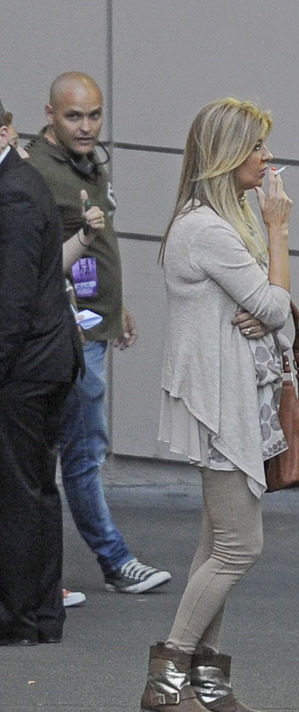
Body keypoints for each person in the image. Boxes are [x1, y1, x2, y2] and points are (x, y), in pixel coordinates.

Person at [142, 97, 292, 712]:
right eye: (256, 146)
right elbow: (279, 307)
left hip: (226, 399)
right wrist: (279, 230)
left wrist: (267, 308)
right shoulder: (209, 228)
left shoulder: (214, 224)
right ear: (229, 155)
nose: (267, 157)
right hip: (219, 404)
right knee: (239, 546)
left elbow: (271, 315)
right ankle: (168, 678)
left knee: (216, 546)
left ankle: (208, 685)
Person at [28, 72, 171, 594]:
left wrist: (116, 307)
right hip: (63, 337)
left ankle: (46, 575)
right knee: (78, 453)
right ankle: (111, 561)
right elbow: (38, 259)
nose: (87, 126)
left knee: (67, 452)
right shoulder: (37, 173)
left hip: (91, 326)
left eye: (94, 115)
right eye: (73, 116)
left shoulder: (89, 162)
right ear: (49, 114)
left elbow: (95, 248)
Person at [3, 109, 104, 610]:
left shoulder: (17, 189)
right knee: (40, 482)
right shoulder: (30, 179)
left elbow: (16, 298)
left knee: (32, 485)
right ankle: (40, 607)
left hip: (30, 364)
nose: (87, 125)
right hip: (45, 356)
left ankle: (29, 610)